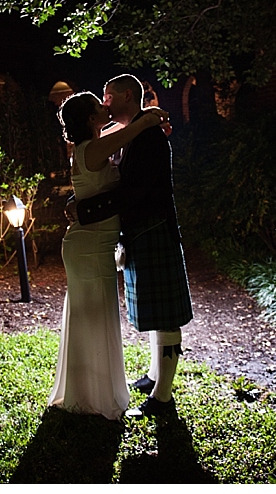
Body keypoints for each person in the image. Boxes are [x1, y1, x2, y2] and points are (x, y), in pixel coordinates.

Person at [72, 73, 194, 419]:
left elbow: (134, 191)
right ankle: (155, 375)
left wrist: (84, 210)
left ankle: (163, 398)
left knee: (166, 315)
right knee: (157, 311)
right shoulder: (135, 131)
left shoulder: (149, 136)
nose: (104, 103)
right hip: (142, 231)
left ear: (127, 95)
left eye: (108, 97)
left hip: (153, 229)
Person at [48, 91, 170, 420]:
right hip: (89, 246)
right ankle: (95, 399)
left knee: (92, 319)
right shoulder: (94, 148)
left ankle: (85, 393)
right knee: (96, 318)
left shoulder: (91, 145)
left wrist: (151, 118)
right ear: (91, 119)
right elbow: (132, 129)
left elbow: (126, 128)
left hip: (91, 245)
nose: (106, 107)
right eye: (99, 105)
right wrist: (151, 117)